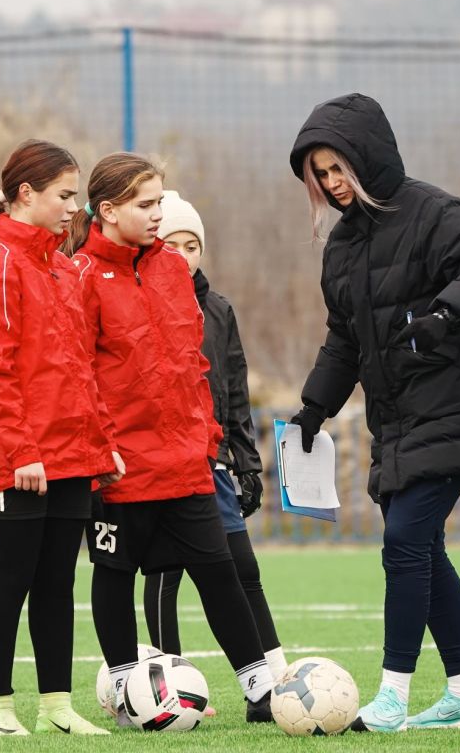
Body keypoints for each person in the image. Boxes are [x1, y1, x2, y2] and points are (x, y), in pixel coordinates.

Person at [288, 93, 460, 732]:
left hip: (455, 409)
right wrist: (314, 406)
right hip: (395, 424)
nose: (333, 184)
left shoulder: (434, 213)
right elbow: (344, 339)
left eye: (339, 168)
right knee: (423, 548)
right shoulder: (341, 248)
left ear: (368, 157)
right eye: (321, 175)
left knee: (405, 542)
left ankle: (391, 696)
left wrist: (446, 314)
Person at [65, 153, 275, 726]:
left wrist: (206, 438)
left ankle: (261, 690)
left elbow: (193, 365)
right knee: (114, 576)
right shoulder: (81, 276)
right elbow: (77, 374)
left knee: (219, 572)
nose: (158, 213)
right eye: (146, 204)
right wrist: (100, 449)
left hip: (185, 462)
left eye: (159, 201)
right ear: (108, 211)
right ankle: (126, 690)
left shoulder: (171, 271)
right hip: (119, 467)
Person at [0, 139, 124, 737]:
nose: (75, 208)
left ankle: (57, 708)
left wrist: (101, 443)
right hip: (20, 459)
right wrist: (21, 451)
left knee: (57, 584)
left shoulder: (62, 267)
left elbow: (80, 367)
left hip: (72, 454)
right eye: (65, 196)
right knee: (11, 579)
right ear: (25, 193)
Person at [143, 191, 288, 687]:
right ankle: (165, 685)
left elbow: (235, 392)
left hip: (213, 463)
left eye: (192, 246)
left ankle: (273, 681)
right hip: (161, 463)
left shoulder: (219, 310)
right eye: (172, 245)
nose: (183, 256)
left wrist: (246, 464)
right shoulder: (141, 303)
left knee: (243, 568)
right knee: (164, 574)